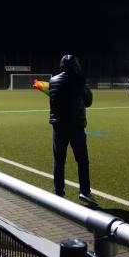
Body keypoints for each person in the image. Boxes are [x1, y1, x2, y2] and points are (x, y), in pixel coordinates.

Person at [48, 55, 96, 205]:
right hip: (76, 127)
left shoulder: (52, 81)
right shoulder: (79, 81)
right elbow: (88, 101)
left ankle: (58, 193)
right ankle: (85, 192)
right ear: (75, 66)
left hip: (58, 127)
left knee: (59, 161)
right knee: (82, 161)